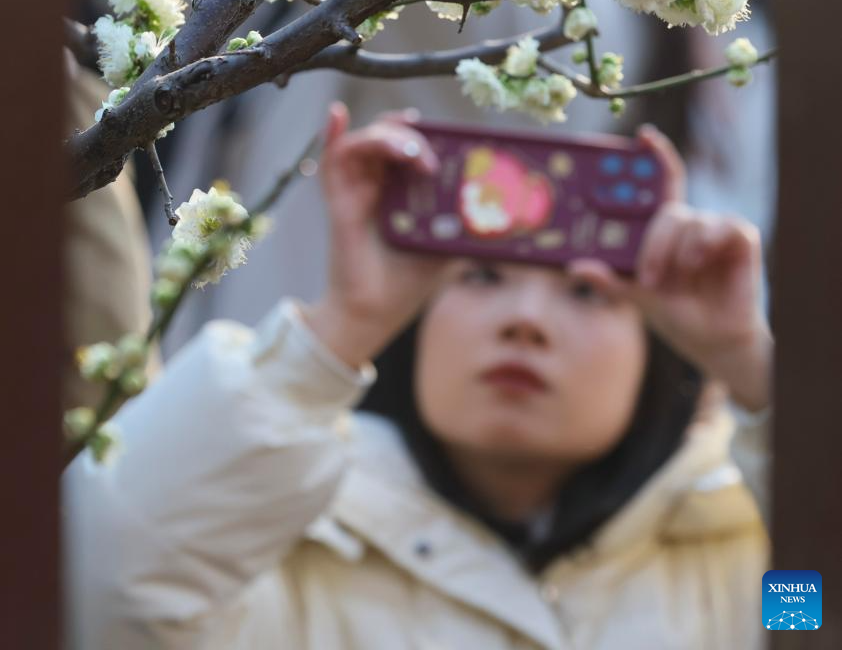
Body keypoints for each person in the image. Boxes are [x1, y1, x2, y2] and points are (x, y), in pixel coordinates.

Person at [65, 105, 773, 649]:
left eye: (587, 293)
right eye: (482, 275)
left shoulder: (747, 561)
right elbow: (97, 601)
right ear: (419, 324)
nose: (524, 321)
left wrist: (752, 366)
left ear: (658, 353)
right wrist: (340, 327)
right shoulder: (289, 544)